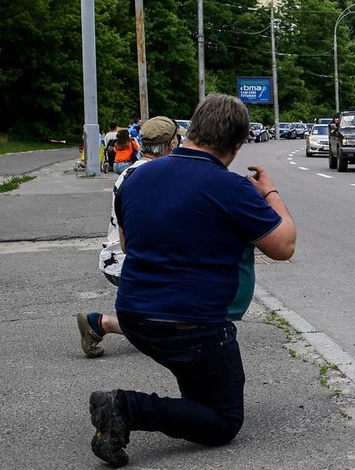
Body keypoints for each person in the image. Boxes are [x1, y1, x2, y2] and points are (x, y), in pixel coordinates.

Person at [88, 94, 296, 468]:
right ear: (237, 143)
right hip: (192, 327)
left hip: (134, 314)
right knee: (223, 422)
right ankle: (125, 406)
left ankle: (156, 406)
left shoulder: (136, 177)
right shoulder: (232, 187)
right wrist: (270, 194)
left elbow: (126, 243)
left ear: (191, 130)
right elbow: (283, 246)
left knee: (201, 396)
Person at [77, 116, 184, 358]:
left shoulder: (131, 172)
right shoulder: (156, 177)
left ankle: (103, 324)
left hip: (118, 257)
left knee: (171, 322)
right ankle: (101, 323)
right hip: (132, 261)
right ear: (172, 145)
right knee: (175, 327)